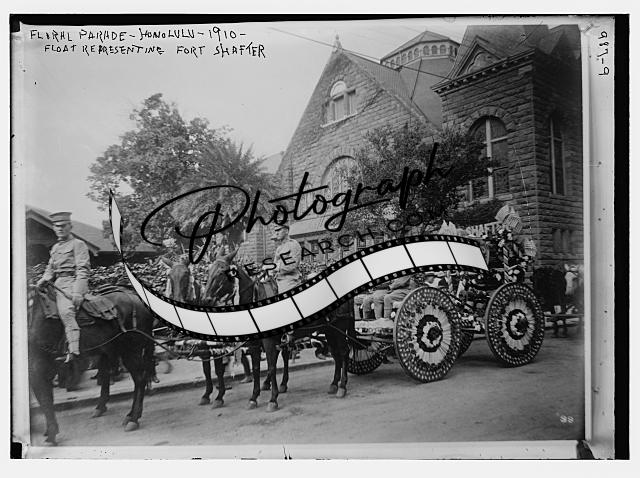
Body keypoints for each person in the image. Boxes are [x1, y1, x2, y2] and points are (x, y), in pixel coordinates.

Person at [37, 212, 91, 369]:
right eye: (56, 226)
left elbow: (83, 269)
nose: (60, 229)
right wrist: (42, 281)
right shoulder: (55, 248)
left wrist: (78, 292)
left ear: (70, 226)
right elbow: (50, 269)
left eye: (63, 226)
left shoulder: (78, 244)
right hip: (56, 285)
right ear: (53, 228)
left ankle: (74, 351)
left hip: (72, 284)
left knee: (66, 312)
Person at [272, 224, 302, 293]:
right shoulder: (279, 248)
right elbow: (275, 264)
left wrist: (275, 267)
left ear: (286, 231)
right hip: (277, 280)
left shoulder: (293, 244)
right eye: (275, 230)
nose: (276, 233)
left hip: (289, 281)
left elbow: (292, 266)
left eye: (279, 230)